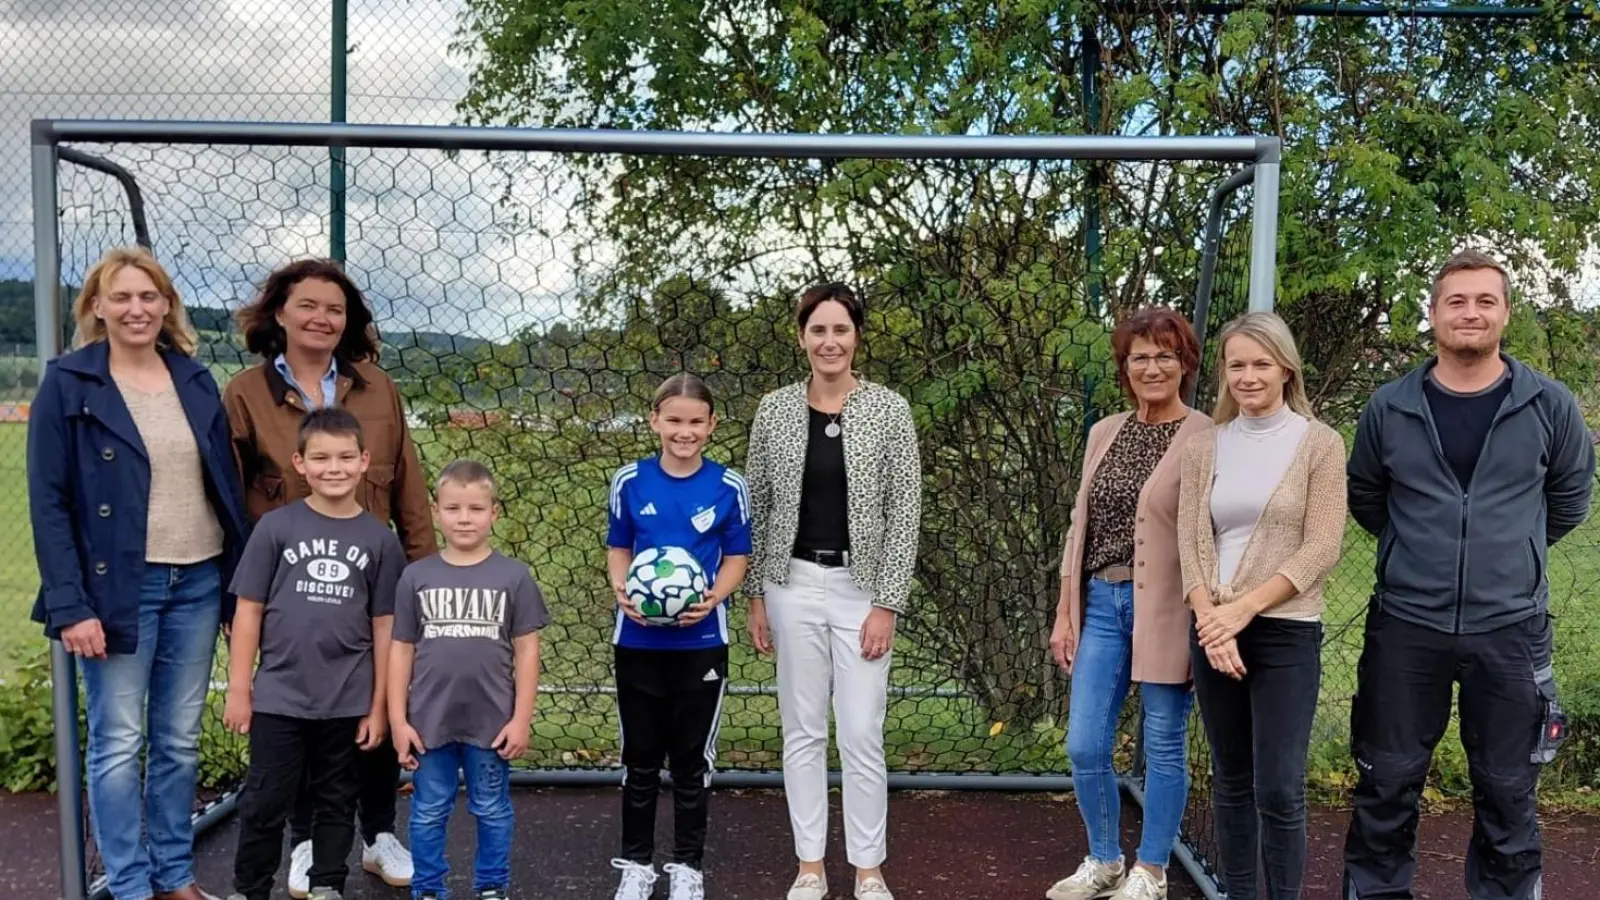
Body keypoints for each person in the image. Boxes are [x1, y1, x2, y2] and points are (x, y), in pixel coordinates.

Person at [1342, 250, 1595, 900]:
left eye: (1485, 300)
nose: (1470, 313)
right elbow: (1368, 497)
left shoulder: (1550, 406)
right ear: (1433, 314)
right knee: (1387, 780)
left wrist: (1506, 553)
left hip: (1510, 629)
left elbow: (1567, 500)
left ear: (1505, 312)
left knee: (1508, 788)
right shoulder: (1390, 408)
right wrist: (1422, 554)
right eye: (1456, 301)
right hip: (1406, 627)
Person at [28, 246, 250, 900]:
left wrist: (238, 587)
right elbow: (49, 501)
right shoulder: (69, 383)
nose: (136, 309)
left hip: (198, 582)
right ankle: (128, 885)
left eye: (148, 297)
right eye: (121, 297)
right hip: (117, 590)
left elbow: (224, 491)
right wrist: (70, 605)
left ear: (165, 305)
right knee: (120, 742)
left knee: (179, 742)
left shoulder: (193, 379)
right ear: (96, 306)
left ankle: (173, 876)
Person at [224, 258, 433, 895]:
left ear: (350, 322)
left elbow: (409, 493)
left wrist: (423, 588)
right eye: (308, 305)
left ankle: (378, 835)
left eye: (335, 309)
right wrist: (234, 599)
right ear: (279, 313)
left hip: (372, 585)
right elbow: (230, 499)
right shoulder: (245, 393)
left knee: (370, 711)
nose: (322, 318)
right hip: (290, 592)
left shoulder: (378, 389)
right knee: (296, 729)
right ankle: (307, 843)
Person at [744, 283, 922, 900]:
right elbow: (760, 503)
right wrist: (757, 597)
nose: (829, 342)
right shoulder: (774, 410)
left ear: (857, 337)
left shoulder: (889, 410)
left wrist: (886, 602)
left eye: (840, 330)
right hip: (789, 583)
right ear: (801, 338)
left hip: (861, 589)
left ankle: (868, 869)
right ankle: (811, 866)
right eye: (817, 330)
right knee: (801, 729)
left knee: (861, 730)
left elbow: (905, 511)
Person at [1176, 311, 1346, 900]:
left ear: (1285, 368)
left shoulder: (1319, 443)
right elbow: (1191, 542)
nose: (1248, 376)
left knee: (1278, 786)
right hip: (1214, 631)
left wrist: (1243, 610)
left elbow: (1322, 545)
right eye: (1236, 365)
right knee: (1231, 780)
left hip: (1285, 631)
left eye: (1260, 364)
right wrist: (1211, 622)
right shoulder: (1204, 447)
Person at [1046, 307, 1211, 900]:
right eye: (1139, 356)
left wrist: (1205, 620)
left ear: (1185, 363)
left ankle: (1153, 871)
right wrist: (1067, 611)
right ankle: (1105, 860)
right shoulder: (1104, 432)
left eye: (1165, 355)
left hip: (1169, 607)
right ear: (1124, 366)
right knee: (1085, 742)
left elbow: (1208, 535)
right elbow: (1079, 527)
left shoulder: (1205, 436)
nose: (1152, 367)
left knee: (1164, 739)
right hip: (1100, 601)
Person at [222, 408, 405, 900]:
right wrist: (241, 689)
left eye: (346, 457)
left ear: (364, 461)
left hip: (347, 701)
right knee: (265, 800)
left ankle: (327, 885)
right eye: (320, 457)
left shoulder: (379, 540)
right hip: (279, 697)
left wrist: (379, 705)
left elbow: (386, 627)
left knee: (336, 800)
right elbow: (248, 612)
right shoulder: (276, 529)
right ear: (299, 463)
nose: (334, 468)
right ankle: (250, 888)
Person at [605, 373, 752, 900]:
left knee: (692, 760)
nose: (684, 432)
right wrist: (622, 587)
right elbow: (619, 546)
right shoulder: (629, 481)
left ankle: (687, 867)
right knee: (640, 758)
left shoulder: (728, 486)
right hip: (638, 642)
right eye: (674, 421)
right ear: (655, 421)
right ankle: (637, 867)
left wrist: (714, 597)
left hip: (701, 644)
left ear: (712, 425)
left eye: (695, 422)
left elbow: (737, 557)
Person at [389, 459, 550, 900]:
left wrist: (521, 719)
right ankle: (427, 889)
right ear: (436, 510)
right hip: (428, 725)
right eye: (454, 508)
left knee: (492, 809)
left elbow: (527, 651)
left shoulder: (513, 577)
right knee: (427, 812)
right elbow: (399, 650)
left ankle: (491, 887)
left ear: (494, 513)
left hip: (492, 724)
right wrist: (397, 720)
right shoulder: (416, 577)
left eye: (475, 509)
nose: (464, 518)